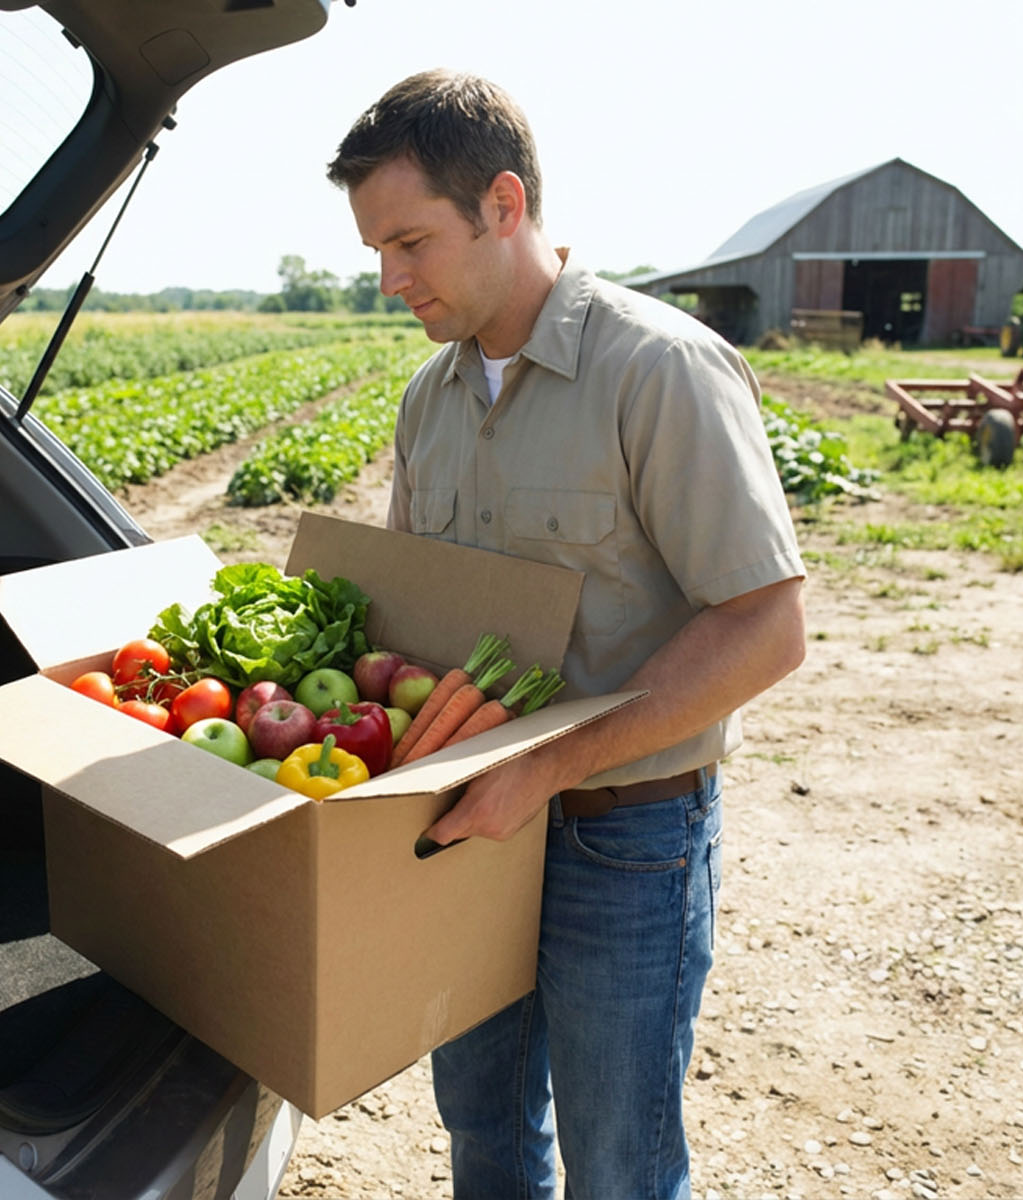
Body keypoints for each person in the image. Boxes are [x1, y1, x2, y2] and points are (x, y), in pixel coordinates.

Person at [326, 70, 808, 1199]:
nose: (391, 281)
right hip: (470, 832)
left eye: (410, 243)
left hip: (621, 843)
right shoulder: (426, 400)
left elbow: (768, 627)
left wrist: (538, 769)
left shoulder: (659, 370)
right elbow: (417, 614)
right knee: (482, 1130)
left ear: (503, 203)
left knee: (617, 1162)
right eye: (374, 253)